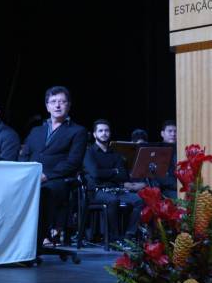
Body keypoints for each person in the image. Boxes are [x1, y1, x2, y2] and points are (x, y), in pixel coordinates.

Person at [19, 86, 87, 247]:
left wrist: (46, 175)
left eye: (62, 102)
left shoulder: (78, 131)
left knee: (44, 192)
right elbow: (24, 155)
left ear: (69, 105)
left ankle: (36, 242)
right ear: (47, 106)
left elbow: (73, 162)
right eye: (53, 102)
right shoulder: (36, 131)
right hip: (32, 176)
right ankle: (15, 240)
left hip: (59, 179)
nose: (57, 106)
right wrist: (23, 173)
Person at [83, 119, 143, 245]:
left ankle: (128, 236)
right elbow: (95, 174)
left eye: (106, 131)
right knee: (112, 200)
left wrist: (107, 173)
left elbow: (123, 176)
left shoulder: (115, 154)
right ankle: (114, 238)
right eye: (100, 131)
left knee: (138, 200)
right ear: (94, 134)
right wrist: (114, 171)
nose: (104, 133)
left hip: (116, 190)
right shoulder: (89, 152)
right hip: (96, 191)